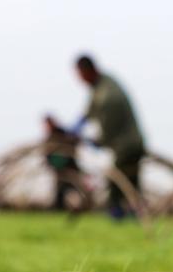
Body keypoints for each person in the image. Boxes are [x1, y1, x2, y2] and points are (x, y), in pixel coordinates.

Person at [71, 55, 146, 219]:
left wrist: (91, 141)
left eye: (81, 75)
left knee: (118, 185)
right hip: (132, 143)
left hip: (128, 146)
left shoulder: (108, 96)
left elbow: (106, 134)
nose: (80, 80)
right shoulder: (101, 85)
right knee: (130, 186)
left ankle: (121, 217)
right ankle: (133, 218)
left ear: (89, 71)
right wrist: (75, 128)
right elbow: (89, 112)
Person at [42, 115, 83, 211]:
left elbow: (75, 141)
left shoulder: (63, 133)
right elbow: (47, 154)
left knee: (71, 188)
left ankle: (76, 207)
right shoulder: (49, 138)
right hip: (59, 170)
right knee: (60, 189)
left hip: (70, 168)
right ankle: (60, 208)